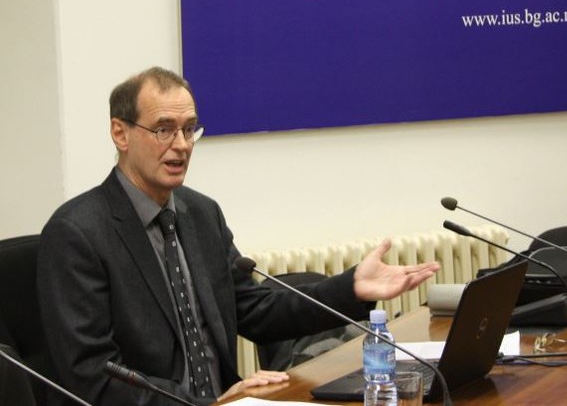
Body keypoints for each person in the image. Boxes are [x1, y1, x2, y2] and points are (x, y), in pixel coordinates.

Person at [37, 67, 440, 406]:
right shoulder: (77, 233)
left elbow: (256, 310)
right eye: (164, 130)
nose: (181, 145)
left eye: (189, 129)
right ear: (120, 133)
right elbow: (92, 376)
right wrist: (209, 405)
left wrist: (351, 287)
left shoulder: (200, 214)